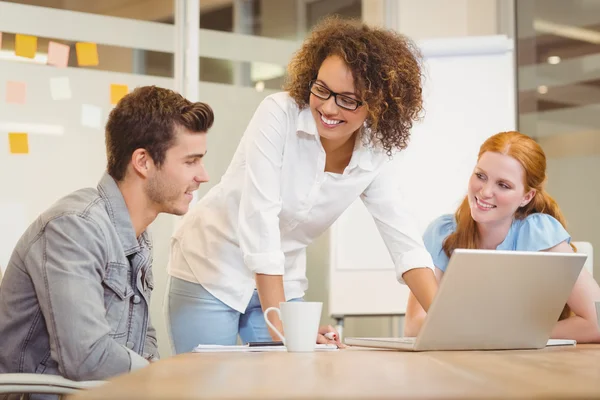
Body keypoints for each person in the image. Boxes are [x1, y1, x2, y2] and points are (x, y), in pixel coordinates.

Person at [166, 16, 439, 353]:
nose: (327, 107)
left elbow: (404, 242)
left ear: (378, 105)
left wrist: (449, 324)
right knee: (206, 384)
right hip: (213, 265)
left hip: (283, 276)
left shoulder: (374, 150)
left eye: (348, 99)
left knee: (284, 382)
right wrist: (283, 325)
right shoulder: (278, 114)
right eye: (322, 89)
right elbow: (259, 217)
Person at [0, 86, 214, 382]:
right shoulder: (74, 227)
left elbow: (143, 339)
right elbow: (87, 358)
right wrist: (161, 376)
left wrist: (156, 370)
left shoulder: (137, 235)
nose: (203, 175)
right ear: (143, 162)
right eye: (191, 161)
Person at [405, 131, 600, 343]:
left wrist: (508, 334)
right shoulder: (442, 233)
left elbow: (597, 323)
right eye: (481, 176)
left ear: (527, 196)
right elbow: (415, 325)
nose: (485, 191)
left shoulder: (539, 233)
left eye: (503, 185)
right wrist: (498, 333)